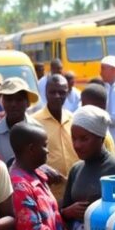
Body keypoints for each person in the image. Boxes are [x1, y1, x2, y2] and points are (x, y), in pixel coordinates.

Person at [32, 74, 79, 202]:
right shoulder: (34, 122)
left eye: (62, 92)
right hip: (47, 193)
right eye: (52, 92)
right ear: (45, 93)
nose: (57, 96)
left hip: (74, 192)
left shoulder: (73, 119)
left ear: (68, 93)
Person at [0, 77, 41, 164]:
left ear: (28, 103)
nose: (13, 104)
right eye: (9, 99)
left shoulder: (37, 129)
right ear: (2, 102)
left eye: (19, 99)